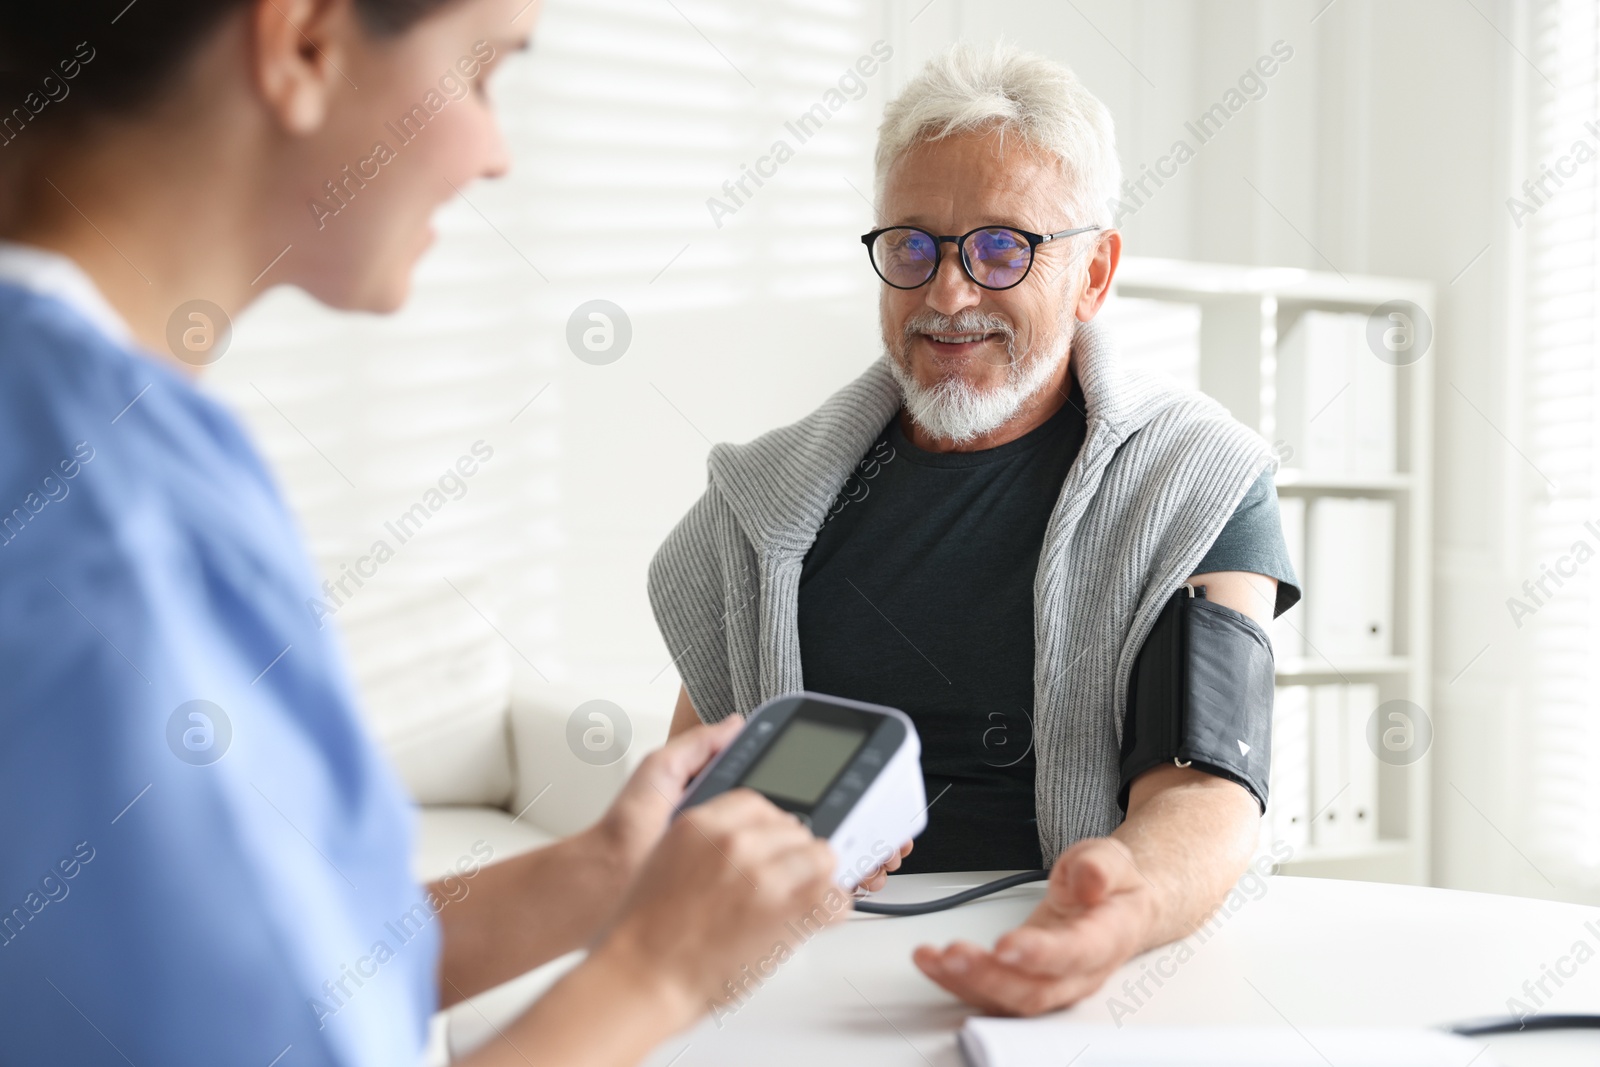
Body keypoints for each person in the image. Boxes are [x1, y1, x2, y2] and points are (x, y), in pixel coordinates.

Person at [0, 3, 864, 1064]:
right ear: (305, 43)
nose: (494, 153)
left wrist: (604, 871)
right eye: (484, 71)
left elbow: (275, 984)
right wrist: (660, 972)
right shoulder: (106, 527)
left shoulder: (93, 435)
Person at [650, 42, 1302, 1017]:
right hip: (794, 982)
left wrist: (1114, 911)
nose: (948, 295)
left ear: (1092, 272)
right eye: (912, 246)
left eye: (1002, 247)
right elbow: (689, 799)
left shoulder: (1195, 479)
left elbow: (1204, 788)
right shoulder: (762, 503)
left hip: (1090, 973)